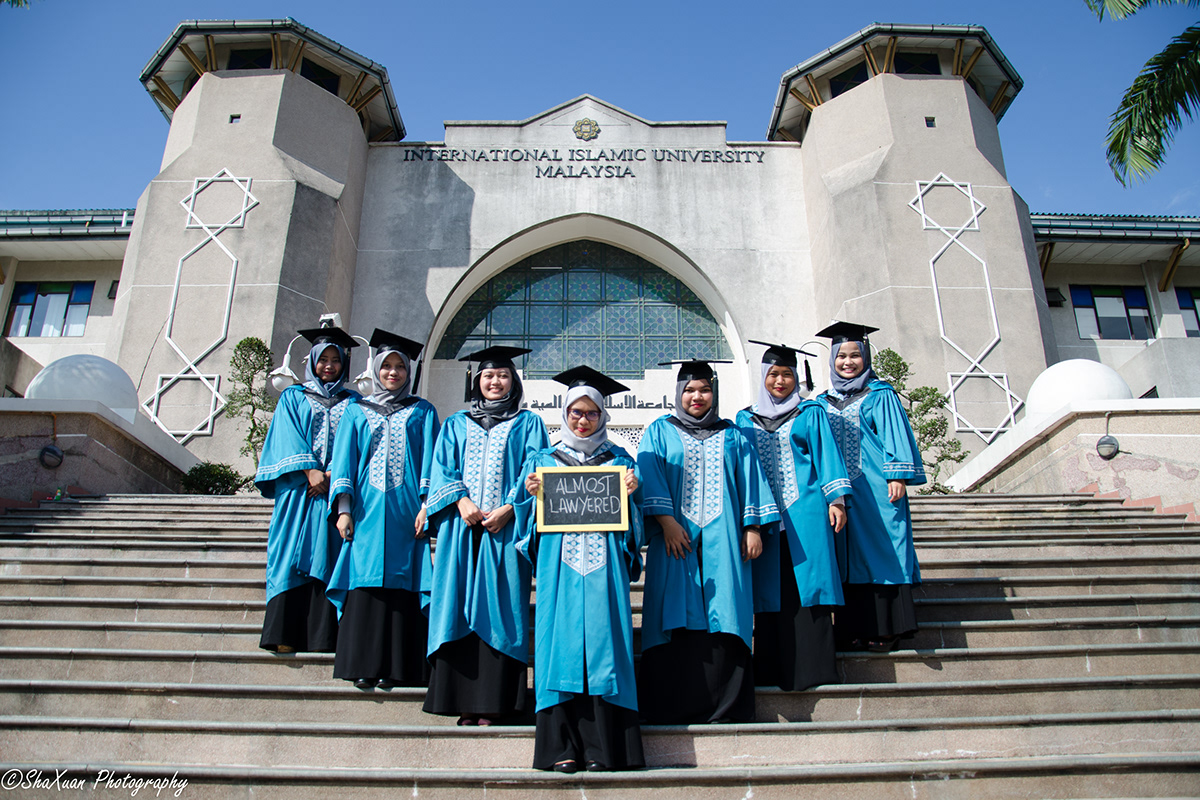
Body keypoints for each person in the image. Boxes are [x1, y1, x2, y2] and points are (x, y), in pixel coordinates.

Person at [513, 365, 645, 773]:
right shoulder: (544, 460)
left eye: (591, 413)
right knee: (560, 647)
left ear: (603, 416)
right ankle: (561, 749)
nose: (583, 421)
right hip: (560, 571)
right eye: (576, 413)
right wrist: (530, 495)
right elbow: (525, 521)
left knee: (606, 647)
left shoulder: (620, 460)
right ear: (565, 414)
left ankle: (603, 750)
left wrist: (631, 495)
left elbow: (634, 526)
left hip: (605, 570)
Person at [636, 359, 780, 724]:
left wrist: (752, 527)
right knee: (673, 611)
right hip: (674, 541)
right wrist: (667, 522)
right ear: (678, 393)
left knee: (726, 610)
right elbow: (649, 474)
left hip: (725, 540)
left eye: (704, 389)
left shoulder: (733, 435)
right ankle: (672, 707)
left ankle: (726, 706)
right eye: (689, 390)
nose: (696, 396)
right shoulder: (659, 431)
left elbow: (750, 479)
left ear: (714, 393)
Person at [423, 346, 549, 725]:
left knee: (501, 609)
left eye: (503, 375)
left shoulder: (529, 423)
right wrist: (460, 501)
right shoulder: (455, 423)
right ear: (477, 381)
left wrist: (510, 508)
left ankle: (494, 703)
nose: (496, 382)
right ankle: (461, 701)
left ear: (514, 382)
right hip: (461, 530)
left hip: (505, 532)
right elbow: (443, 467)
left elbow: (536, 468)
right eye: (489, 376)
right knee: (457, 605)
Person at [325, 329, 440, 689]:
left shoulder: (422, 411)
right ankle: (363, 665)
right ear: (375, 369)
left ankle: (397, 668)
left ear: (409, 371)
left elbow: (432, 461)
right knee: (365, 581)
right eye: (386, 366)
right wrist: (344, 509)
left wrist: (427, 506)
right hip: (367, 510)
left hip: (408, 510)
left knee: (404, 584)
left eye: (400, 367)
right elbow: (345, 460)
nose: (393, 372)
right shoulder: (357, 410)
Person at [736, 341, 850, 691]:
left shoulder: (809, 413)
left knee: (809, 587)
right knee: (770, 591)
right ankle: (771, 670)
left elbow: (825, 455)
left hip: (807, 513)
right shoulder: (745, 419)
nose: (780, 381)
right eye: (773, 374)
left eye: (787, 374)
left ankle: (814, 670)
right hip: (764, 518)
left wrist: (836, 500)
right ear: (763, 377)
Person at [814, 322, 926, 652]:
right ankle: (852, 628)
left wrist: (897, 475)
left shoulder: (880, 394)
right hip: (840, 491)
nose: (848, 362)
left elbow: (894, 434)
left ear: (866, 358)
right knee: (847, 554)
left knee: (882, 547)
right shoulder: (822, 402)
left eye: (855, 355)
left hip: (877, 486)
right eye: (841, 356)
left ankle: (889, 627)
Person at [255, 326, 360, 653]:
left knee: (331, 554)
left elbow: (357, 442)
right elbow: (286, 435)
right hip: (298, 492)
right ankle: (284, 634)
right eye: (323, 359)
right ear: (312, 361)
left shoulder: (354, 402)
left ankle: (323, 637)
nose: (329, 365)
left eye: (335, 360)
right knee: (289, 553)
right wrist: (310, 470)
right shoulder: (293, 396)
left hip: (335, 491)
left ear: (344, 363)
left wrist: (333, 474)